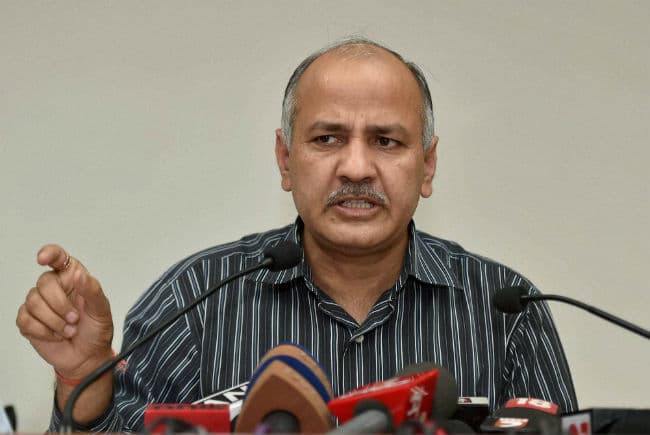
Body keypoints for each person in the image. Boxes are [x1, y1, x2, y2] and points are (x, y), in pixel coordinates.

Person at [16, 37, 577, 432]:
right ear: (286, 160)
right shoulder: (196, 300)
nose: (356, 167)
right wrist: (81, 377)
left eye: (386, 141)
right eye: (327, 138)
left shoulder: (507, 310)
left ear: (427, 166)